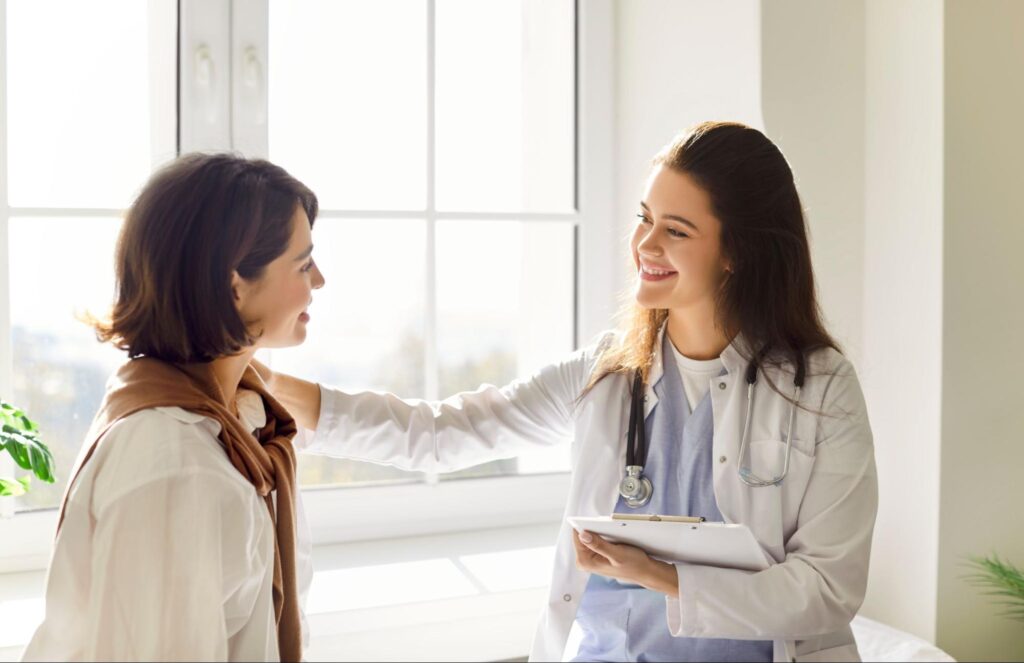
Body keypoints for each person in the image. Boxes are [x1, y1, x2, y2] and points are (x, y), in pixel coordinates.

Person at [264, 121, 878, 662]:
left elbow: (828, 590)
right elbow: (440, 433)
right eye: (644, 218)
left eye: (677, 230)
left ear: (736, 252)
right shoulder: (605, 374)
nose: (646, 245)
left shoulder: (818, 388)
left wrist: (664, 576)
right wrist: (261, 383)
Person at [22, 153, 326, 662]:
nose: (318, 281)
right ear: (235, 287)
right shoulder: (175, 463)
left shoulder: (235, 412)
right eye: (303, 263)